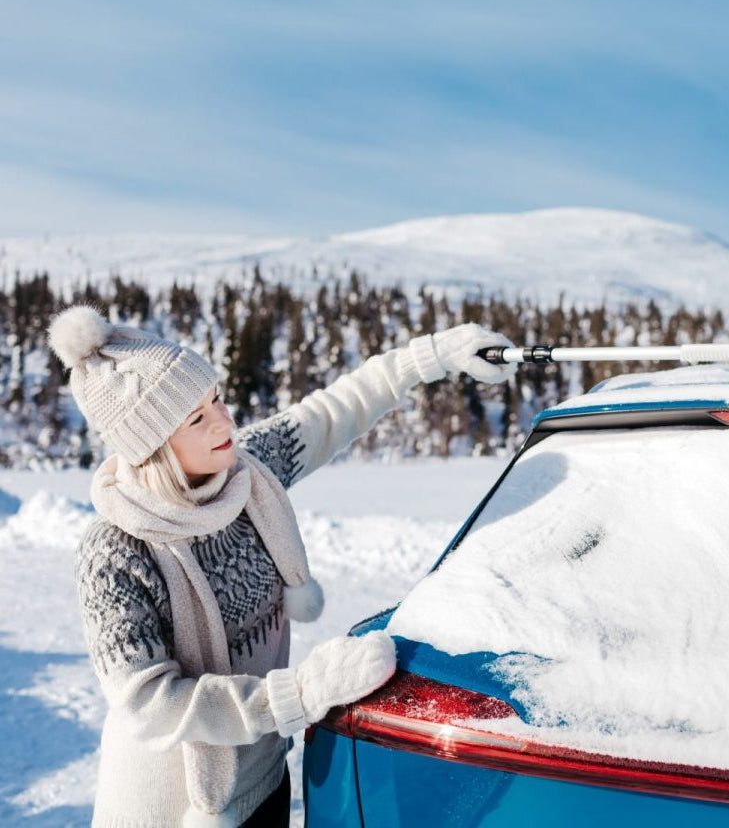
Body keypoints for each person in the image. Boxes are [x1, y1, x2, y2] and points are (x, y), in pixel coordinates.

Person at [49, 305, 515, 828]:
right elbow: (149, 704)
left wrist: (431, 356)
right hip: (175, 811)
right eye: (196, 419)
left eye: (217, 399)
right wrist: (300, 695)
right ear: (152, 446)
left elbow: (332, 412)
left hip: (266, 777)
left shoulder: (247, 474)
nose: (224, 421)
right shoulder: (115, 551)